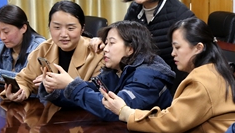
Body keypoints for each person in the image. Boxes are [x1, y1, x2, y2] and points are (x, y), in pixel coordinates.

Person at [102, 17, 235, 133]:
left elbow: (170, 121)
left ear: (198, 48)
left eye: (178, 47)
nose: (172, 53)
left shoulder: (203, 79)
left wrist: (125, 112)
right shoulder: (212, 71)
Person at [42, 20, 175, 120]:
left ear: (130, 49)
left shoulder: (148, 76)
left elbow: (113, 110)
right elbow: (89, 97)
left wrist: (71, 85)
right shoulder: (115, 71)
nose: (105, 49)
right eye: (106, 43)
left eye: (111, 43)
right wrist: (55, 89)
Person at [4, 0, 103, 102]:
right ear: (49, 27)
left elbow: (98, 91)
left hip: (82, 111)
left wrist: (64, 85)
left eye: (70, 28)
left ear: (82, 29)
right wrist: (20, 92)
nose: (63, 34)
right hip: (49, 110)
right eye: (57, 27)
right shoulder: (44, 49)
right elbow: (25, 79)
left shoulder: (96, 53)